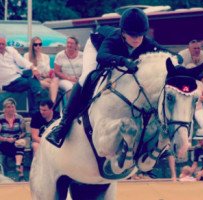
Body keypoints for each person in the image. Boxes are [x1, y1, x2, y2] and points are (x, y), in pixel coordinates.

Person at [46, 8, 176, 148]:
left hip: (116, 56)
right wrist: (123, 61)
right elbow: (101, 57)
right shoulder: (114, 38)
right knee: (86, 77)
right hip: (97, 49)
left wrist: (178, 59)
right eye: (133, 35)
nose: (137, 39)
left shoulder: (145, 41)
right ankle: (62, 126)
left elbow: (166, 52)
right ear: (123, 32)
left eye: (140, 35)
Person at [0, 34, 46, 114]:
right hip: (9, 83)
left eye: (2, 44)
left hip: (18, 75)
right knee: (30, 83)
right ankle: (38, 98)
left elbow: (21, 61)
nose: (0, 46)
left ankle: (36, 106)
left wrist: (34, 68)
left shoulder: (10, 50)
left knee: (32, 73)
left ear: (5, 44)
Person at [24, 36, 59, 103]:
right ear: (32, 45)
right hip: (34, 80)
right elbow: (28, 70)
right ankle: (51, 106)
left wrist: (49, 74)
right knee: (52, 86)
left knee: (56, 80)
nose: (38, 46)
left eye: (40, 44)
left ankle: (51, 103)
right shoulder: (27, 55)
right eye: (36, 44)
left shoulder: (45, 56)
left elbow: (47, 71)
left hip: (45, 78)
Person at [0, 98, 26, 181]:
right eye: (8, 107)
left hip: (16, 141)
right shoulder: (1, 119)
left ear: (15, 108)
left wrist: (16, 138)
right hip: (4, 142)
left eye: (12, 107)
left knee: (19, 145)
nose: (10, 109)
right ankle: (20, 173)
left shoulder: (20, 118)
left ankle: (18, 166)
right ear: (4, 109)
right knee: (19, 150)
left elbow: (24, 133)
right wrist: (6, 139)